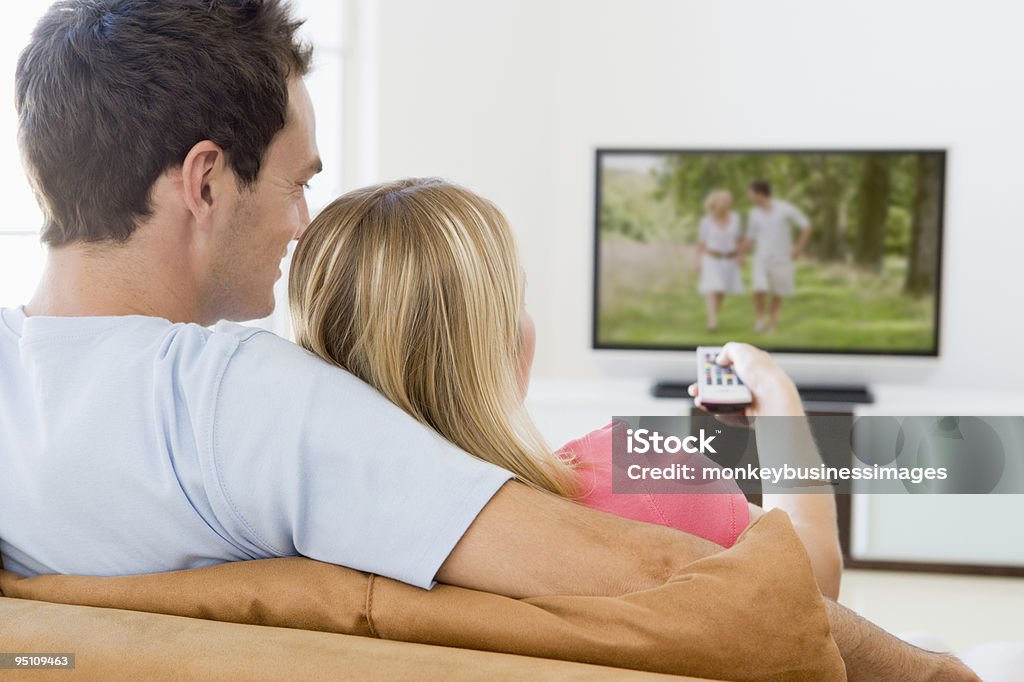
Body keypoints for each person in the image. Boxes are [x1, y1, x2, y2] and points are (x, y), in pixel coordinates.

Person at [0, 2, 977, 679]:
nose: (303, 222)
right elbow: (686, 586)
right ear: (206, 182)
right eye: (299, 181)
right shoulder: (247, 406)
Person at [289, 178, 850, 596]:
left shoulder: (301, 534)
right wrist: (779, 402)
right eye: (519, 300)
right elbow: (813, 587)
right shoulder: (641, 474)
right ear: (497, 345)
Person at [744, 180, 812, 333]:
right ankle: (760, 320)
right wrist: (741, 254)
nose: (749, 196)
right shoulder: (754, 213)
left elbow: (806, 226)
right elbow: (750, 236)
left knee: (777, 292)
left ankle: (773, 324)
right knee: (758, 289)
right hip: (761, 257)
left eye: (750, 193)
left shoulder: (785, 209)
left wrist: (798, 248)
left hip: (782, 257)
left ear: (760, 193)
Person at [695, 189, 744, 332]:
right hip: (711, 258)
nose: (728, 204)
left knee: (722, 291)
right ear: (716, 203)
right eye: (725, 201)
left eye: (729, 201)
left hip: (729, 259)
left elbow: (739, 239)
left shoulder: (735, 218)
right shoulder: (706, 221)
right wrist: (697, 260)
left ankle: (713, 315)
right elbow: (701, 243)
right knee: (713, 288)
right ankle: (712, 322)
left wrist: (740, 255)